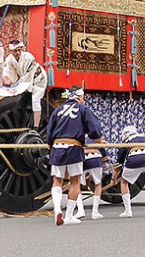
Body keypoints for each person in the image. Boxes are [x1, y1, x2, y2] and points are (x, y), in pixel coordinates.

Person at [45, 86, 103, 226]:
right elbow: (95, 132)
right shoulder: (83, 110)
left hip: (57, 147)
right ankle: (69, 215)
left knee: (57, 181)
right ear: (80, 97)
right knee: (75, 181)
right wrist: (98, 140)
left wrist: (51, 144)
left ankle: (58, 209)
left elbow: (49, 134)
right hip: (74, 147)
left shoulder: (58, 110)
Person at [2, 39, 47, 128]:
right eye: (15, 51)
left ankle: (36, 126)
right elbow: (6, 71)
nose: (18, 53)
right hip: (25, 80)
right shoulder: (9, 59)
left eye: (19, 50)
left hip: (38, 80)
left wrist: (14, 86)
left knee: (35, 100)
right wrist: (6, 79)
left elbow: (26, 77)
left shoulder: (28, 57)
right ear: (10, 51)